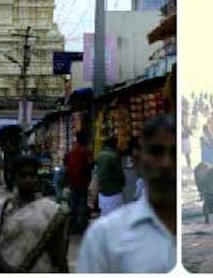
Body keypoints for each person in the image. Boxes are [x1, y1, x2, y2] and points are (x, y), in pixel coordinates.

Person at [76, 114, 177, 273]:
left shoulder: (101, 156)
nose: (166, 164)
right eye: (156, 152)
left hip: (104, 193)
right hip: (112, 192)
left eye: (175, 153)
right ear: (138, 159)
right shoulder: (104, 237)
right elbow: (117, 176)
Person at [0, 156, 70, 273]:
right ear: (14, 178)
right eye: (23, 176)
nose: (29, 179)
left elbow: (58, 253)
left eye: (32, 176)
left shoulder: (52, 210)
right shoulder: (1, 208)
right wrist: (7, 269)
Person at [64, 132, 92, 234]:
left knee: (73, 205)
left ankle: (72, 226)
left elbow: (66, 166)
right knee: (82, 204)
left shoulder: (71, 151)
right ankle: (81, 227)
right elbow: (89, 166)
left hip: (73, 182)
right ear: (84, 139)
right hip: (82, 182)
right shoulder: (86, 151)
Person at [96, 137, 124, 217]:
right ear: (114, 145)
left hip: (102, 193)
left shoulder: (100, 155)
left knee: (104, 216)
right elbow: (120, 176)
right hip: (113, 193)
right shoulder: (114, 156)